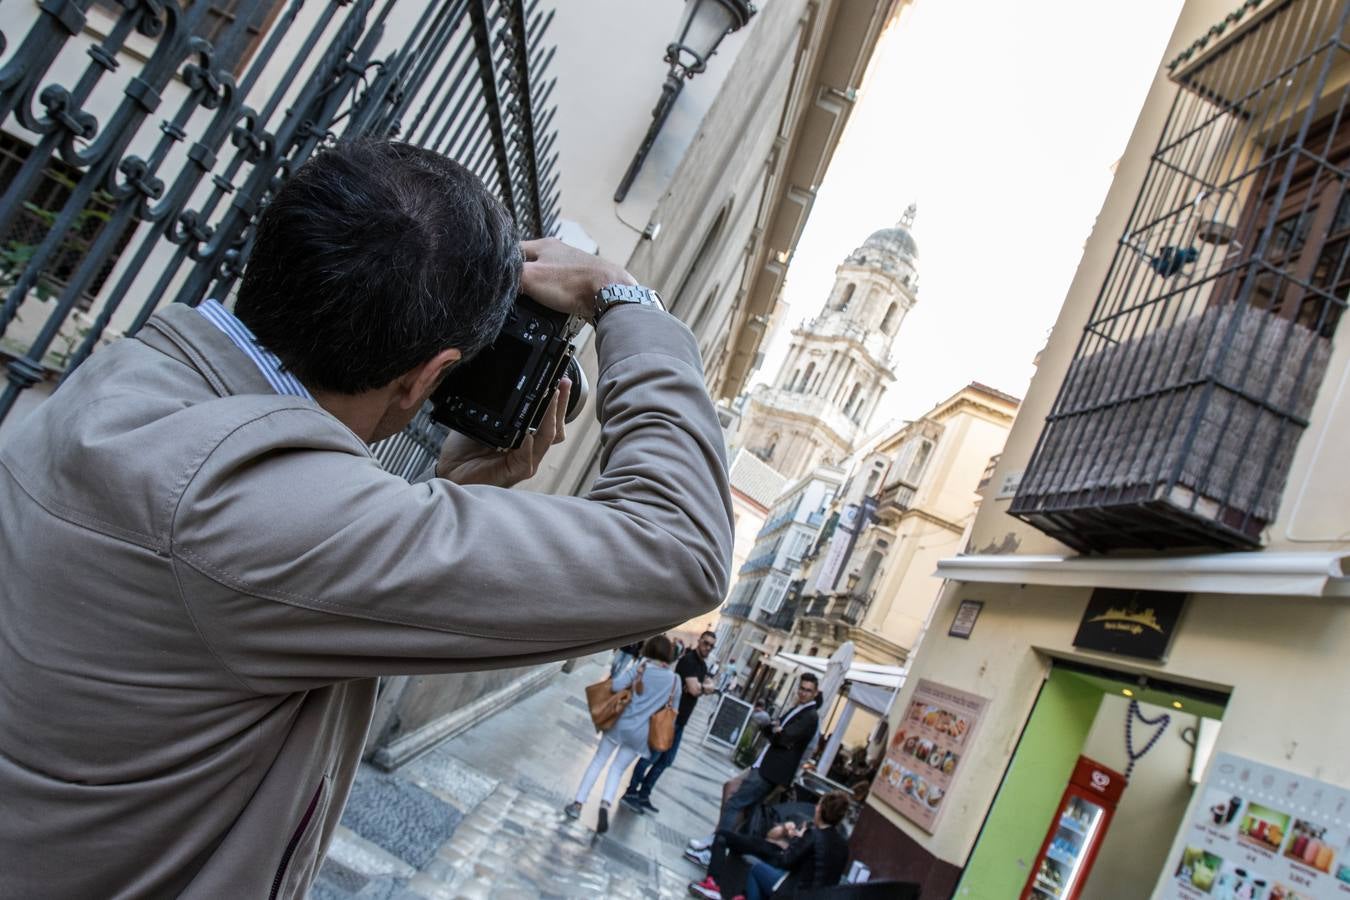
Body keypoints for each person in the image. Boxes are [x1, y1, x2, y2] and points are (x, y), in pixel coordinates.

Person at [0, 140, 734, 898]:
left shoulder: (131, 376)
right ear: (428, 376)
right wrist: (626, 302)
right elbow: (680, 551)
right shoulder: (251, 514)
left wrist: (451, 492)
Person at [687, 674, 821, 864]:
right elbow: (772, 729)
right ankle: (716, 842)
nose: (803, 692)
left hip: (771, 770)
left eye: (808, 690)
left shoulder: (810, 716)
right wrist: (776, 729)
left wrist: (777, 731)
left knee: (735, 804)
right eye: (801, 688)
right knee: (737, 799)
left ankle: (716, 848)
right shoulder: (798, 709)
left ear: (815, 693)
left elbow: (783, 738)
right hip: (764, 763)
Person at [567, 635, 679, 834]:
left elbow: (616, 686)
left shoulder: (642, 668)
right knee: (617, 770)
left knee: (599, 761)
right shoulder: (674, 681)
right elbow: (673, 710)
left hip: (622, 723)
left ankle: (578, 804)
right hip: (643, 734)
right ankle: (605, 804)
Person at [687, 790, 852, 900]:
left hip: (794, 890)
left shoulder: (813, 835)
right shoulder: (842, 846)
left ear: (821, 809)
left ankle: (715, 886)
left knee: (756, 870)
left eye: (818, 805)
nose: (815, 808)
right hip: (816, 894)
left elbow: (786, 861)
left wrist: (796, 841)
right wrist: (786, 833)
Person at [621, 629, 718, 813]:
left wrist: (703, 686)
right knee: (652, 756)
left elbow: (703, 686)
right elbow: (695, 690)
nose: (708, 648)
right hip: (670, 716)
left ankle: (644, 794)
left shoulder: (703, 666)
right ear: (699, 641)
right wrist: (705, 687)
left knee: (666, 760)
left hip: (681, 721)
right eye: (705, 643)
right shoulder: (688, 661)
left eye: (711, 646)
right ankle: (631, 792)